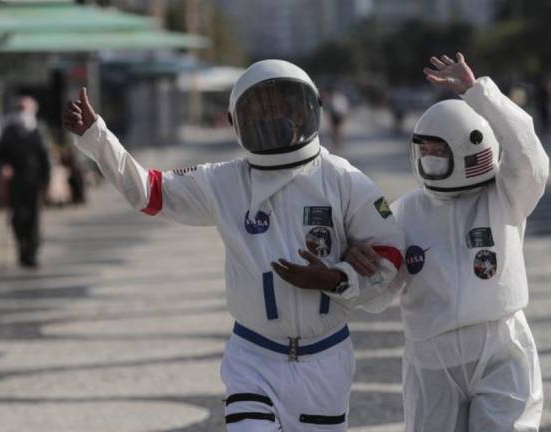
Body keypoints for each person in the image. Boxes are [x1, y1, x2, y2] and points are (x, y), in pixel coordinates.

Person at [62, 59, 405, 431]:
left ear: (308, 110)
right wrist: (98, 139)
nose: (275, 119)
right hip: (254, 356)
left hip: (325, 358)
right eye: (261, 110)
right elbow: (150, 191)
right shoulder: (225, 182)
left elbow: (390, 253)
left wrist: (337, 278)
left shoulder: (343, 179)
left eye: (284, 108)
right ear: (236, 121)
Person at [344, 53, 548, 431]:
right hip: (430, 358)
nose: (429, 157)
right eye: (425, 150)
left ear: (471, 147)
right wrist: (357, 267)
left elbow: (528, 156)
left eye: (438, 150)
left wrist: (478, 93)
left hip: (500, 347)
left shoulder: (504, 198)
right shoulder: (403, 213)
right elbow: (381, 292)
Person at [0, 96, 51, 269]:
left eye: (25, 108)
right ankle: (22, 248)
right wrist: (4, 167)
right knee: (17, 217)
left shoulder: (38, 130)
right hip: (15, 181)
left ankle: (32, 253)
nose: (22, 111)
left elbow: (45, 158)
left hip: (34, 180)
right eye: (19, 107)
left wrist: (46, 181)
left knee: (34, 218)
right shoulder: (9, 131)